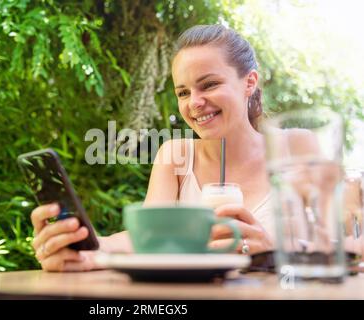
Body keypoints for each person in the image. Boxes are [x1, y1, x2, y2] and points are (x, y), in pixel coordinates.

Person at [30, 24, 277, 272]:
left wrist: (271, 254)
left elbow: (316, 247)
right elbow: (146, 239)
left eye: (209, 84)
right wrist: (88, 249)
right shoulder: (175, 157)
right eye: (183, 92)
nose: (195, 102)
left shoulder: (293, 149)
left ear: (249, 82)